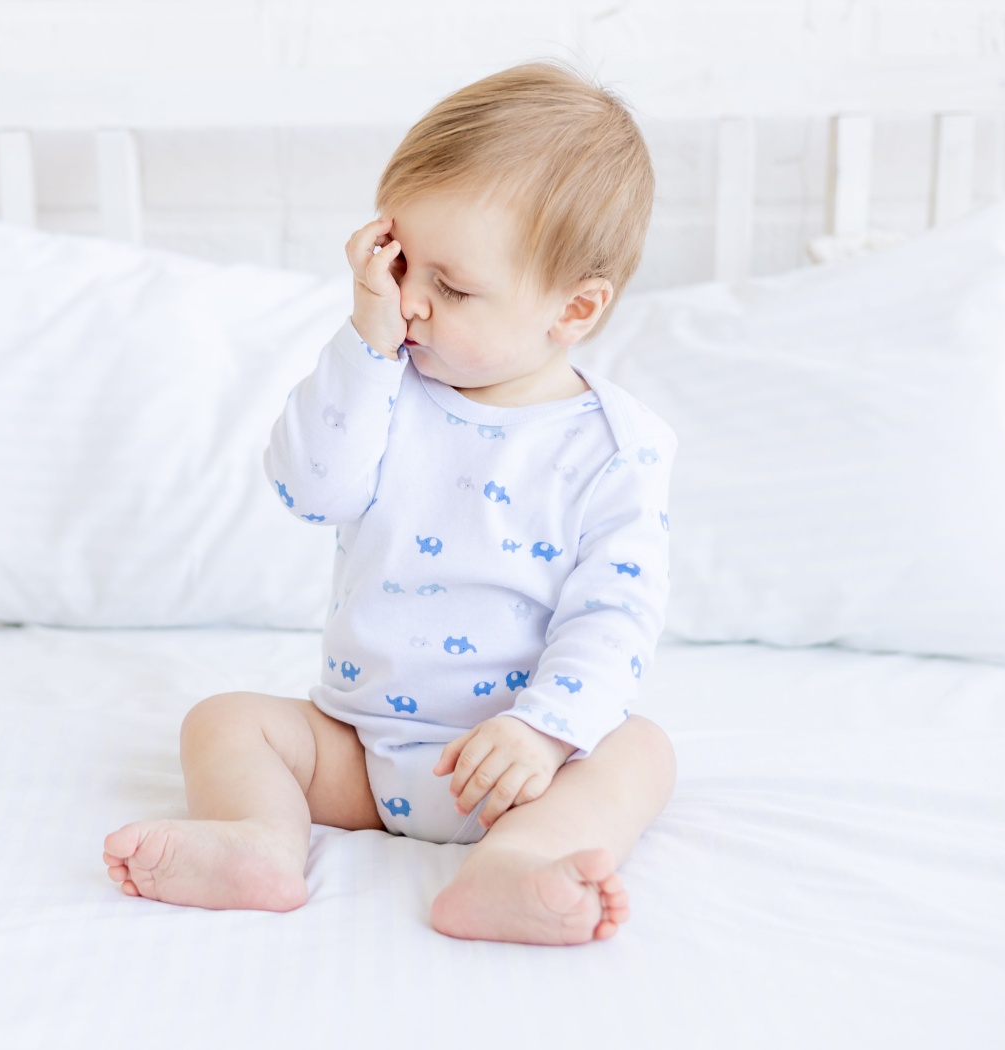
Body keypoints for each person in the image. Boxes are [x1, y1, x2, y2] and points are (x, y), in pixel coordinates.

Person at [102, 59, 678, 946]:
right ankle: (259, 842)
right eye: (404, 263)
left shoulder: (613, 447)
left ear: (576, 308)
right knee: (224, 723)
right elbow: (307, 488)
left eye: (450, 287)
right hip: (361, 754)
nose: (411, 302)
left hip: (520, 770)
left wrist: (544, 732)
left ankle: (510, 867)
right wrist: (363, 342)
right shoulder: (382, 382)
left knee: (639, 754)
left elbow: (616, 615)